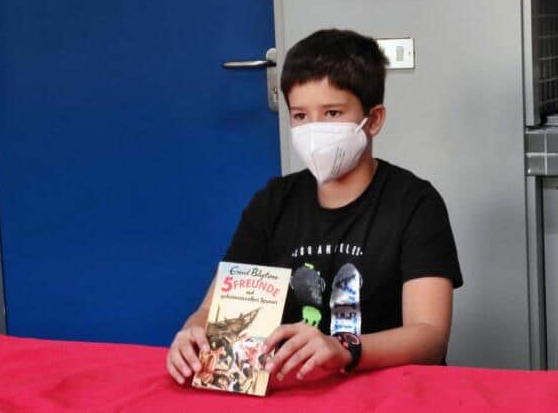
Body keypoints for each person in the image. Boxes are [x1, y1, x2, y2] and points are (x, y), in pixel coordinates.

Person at [166, 29, 463, 385]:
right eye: (301, 116)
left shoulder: (414, 203)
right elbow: (213, 311)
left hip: (390, 389)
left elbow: (429, 335)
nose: (314, 129)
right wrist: (193, 332)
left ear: (374, 120)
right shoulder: (273, 202)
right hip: (296, 388)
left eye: (332, 113)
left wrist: (344, 349)